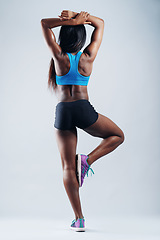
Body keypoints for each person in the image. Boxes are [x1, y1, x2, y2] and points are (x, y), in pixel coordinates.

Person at [41, 10, 125, 232]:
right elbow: (100, 24)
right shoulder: (88, 57)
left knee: (68, 167)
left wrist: (68, 20)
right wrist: (80, 18)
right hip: (82, 109)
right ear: (81, 38)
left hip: (63, 112)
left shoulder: (58, 56)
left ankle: (79, 219)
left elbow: (44, 23)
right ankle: (87, 161)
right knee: (118, 136)